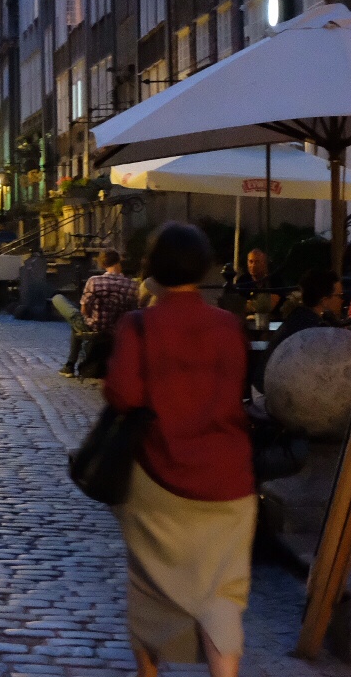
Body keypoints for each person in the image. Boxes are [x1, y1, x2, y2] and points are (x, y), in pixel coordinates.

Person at [104, 223, 255, 677]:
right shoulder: (228, 325)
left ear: (152, 269)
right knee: (222, 592)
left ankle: (149, 671)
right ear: (204, 268)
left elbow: (123, 394)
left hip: (158, 473)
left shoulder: (139, 326)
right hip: (228, 476)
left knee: (150, 583)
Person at [65, 250, 140, 378]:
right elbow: (133, 310)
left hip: (95, 326)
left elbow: (84, 310)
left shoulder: (94, 281)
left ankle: (69, 366)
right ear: (118, 262)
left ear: (103, 264)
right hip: (117, 328)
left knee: (61, 302)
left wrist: (91, 315)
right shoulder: (132, 284)